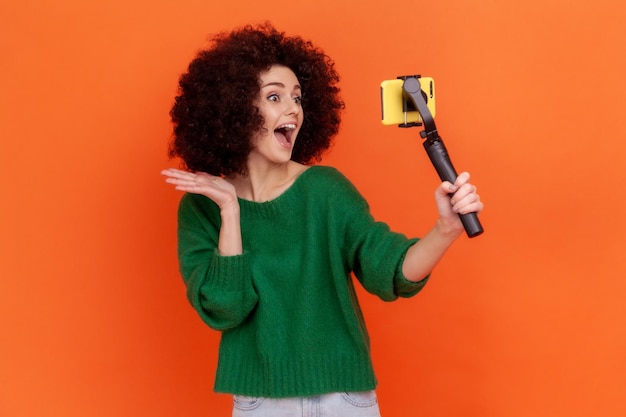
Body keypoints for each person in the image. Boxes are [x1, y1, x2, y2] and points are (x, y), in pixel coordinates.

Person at [161, 22, 483, 417]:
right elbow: (226, 309)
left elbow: (391, 272)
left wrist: (445, 229)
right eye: (274, 97)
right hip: (258, 403)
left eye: (297, 98)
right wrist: (230, 211)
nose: (292, 109)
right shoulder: (203, 206)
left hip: (343, 399)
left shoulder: (326, 191)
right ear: (234, 108)